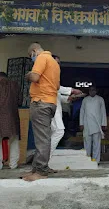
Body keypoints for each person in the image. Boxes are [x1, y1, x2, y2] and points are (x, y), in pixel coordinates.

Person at [23, 43, 60, 181]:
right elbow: (56, 86)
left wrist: (29, 75)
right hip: (50, 102)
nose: (31, 58)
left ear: (34, 51)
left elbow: (35, 77)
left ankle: (41, 171)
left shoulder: (41, 57)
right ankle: (37, 169)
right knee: (44, 137)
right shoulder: (54, 63)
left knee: (41, 139)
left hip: (41, 102)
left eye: (30, 56)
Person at [50, 55, 82, 162]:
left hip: (54, 107)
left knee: (54, 133)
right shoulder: (48, 74)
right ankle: (45, 159)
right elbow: (56, 88)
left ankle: (45, 160)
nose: (58, 65)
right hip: (48, 107)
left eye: (59, 63)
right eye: (56, 62)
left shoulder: (54, 75)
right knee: (59, 131)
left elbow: (56, 93)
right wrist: (71, 90)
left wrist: (68, 98)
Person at [80, 86, 107, 163]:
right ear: (89, 91)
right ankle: (87, 160)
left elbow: (103, 112)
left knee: (97, 144)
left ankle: (96, 161)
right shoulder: (85, 100)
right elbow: (82, 112)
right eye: (90, 90)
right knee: (87, 144)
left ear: (96, 91)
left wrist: (103, 124)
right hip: (87, 124)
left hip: (97, 125)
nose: (92, 91)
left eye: (93, 90)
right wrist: (81, 123)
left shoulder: (100, 99)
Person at [0, 72, 20, 170]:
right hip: (13, 117)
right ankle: (13, 164)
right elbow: (19, 101)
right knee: (14, 140)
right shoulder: (14, 85)